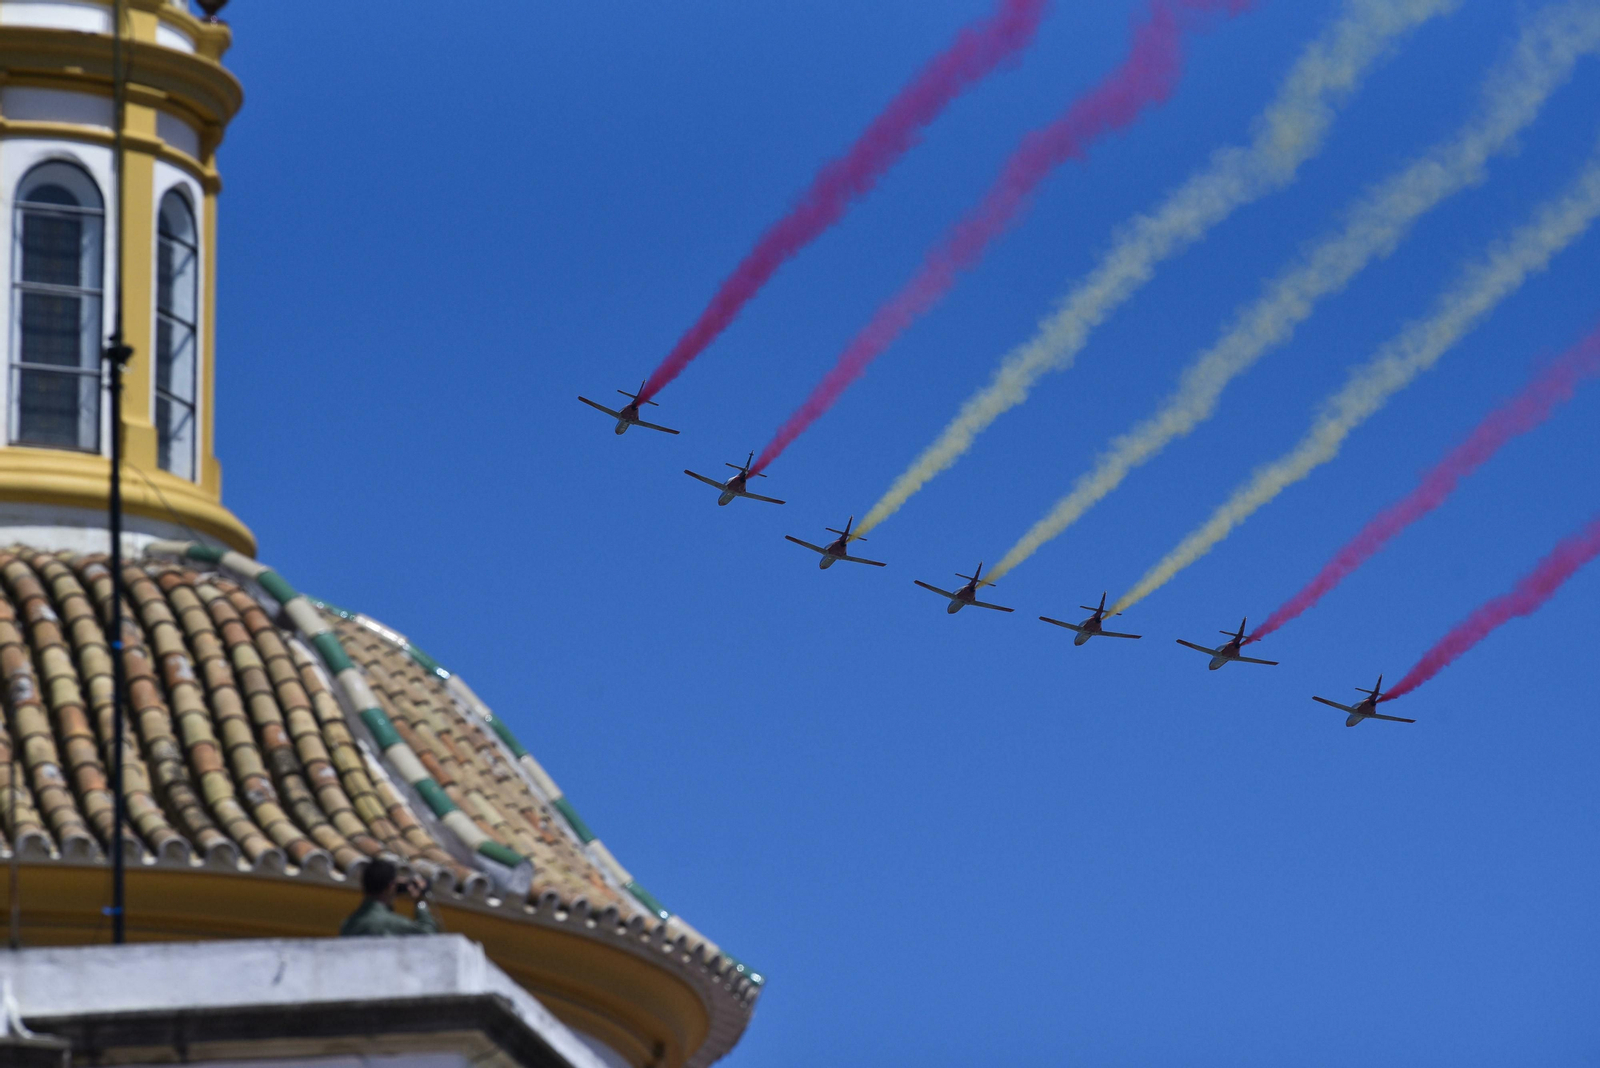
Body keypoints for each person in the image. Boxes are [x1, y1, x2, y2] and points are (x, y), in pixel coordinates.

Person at [339, 858, 441, 936]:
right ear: (391, 886)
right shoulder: (390, 923)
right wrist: (420, 902)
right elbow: (428, 934)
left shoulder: (348, 925)